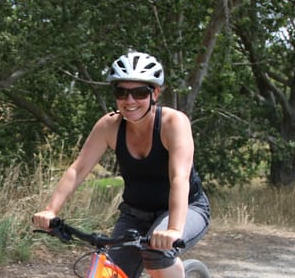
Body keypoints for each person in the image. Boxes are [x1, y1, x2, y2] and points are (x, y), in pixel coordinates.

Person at [32, 51, 210, 278]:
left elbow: (179, 178)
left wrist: (173, 229)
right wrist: (51, 210)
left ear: (155, 93)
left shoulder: (173, 123)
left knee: (158, 256)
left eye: (139, 92)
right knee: (110, 274)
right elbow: (78, 169)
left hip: (186, 207)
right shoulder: (109, 126)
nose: (130, 101)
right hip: (134, 215)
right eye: (122, 92)